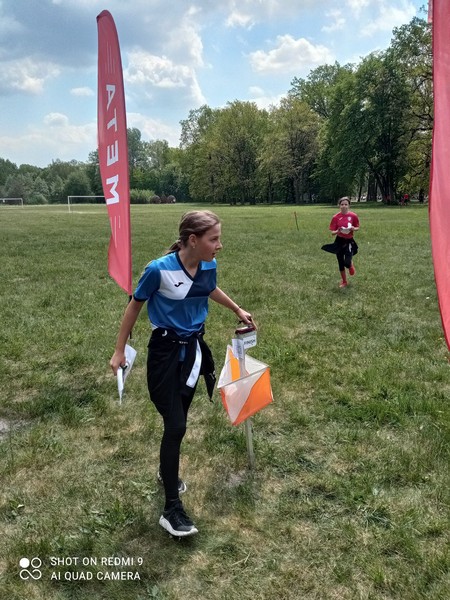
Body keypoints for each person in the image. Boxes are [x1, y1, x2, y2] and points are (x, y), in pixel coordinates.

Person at [110, 210, 253, 537]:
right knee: (175, 423)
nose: (220, 245)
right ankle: (171, 509)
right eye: (213, 239)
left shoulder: (208, 266)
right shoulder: (158, 271)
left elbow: (209, 288)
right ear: (193, 240)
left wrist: (237, 308)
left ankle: (166, 471)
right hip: (164, 354)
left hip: (194, 353)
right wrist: (119, 350)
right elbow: (134, 305)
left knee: (177, 423)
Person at [321, 196, 360, 288]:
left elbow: (357, 227)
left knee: (347, 262)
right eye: (342, 204)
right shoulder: (335, 217)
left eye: (346, 204)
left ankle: (350, 265)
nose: (344, 206)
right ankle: (344, 281)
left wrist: (353, 228)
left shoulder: (353, 216)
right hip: (339, 241)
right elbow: (332, 232)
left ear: (349, 206)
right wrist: (338, 231)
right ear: (339, 206)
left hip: (349, 241)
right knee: (340, 262)